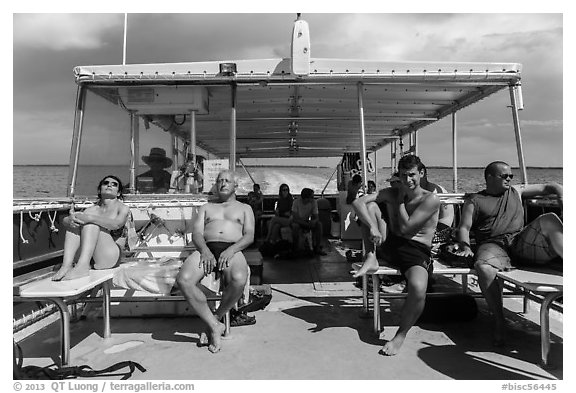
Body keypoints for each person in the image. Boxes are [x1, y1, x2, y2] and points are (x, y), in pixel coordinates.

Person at [449, 161, 563, 345]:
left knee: (549, 219)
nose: (509, 179)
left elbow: (549, 186)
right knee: (483, 267)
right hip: (492, 244)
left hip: (519, 241)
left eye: (511, 175)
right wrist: (466, 247)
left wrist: (561, 194)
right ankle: (499, 320)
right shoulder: (475, 200)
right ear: (489, 178)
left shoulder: (516, 191)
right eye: (504, 176)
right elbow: (464, 227)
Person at [352, 155, 440, 356]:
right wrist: (374, 227)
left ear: (421, 173)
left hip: (416, 250)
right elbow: (358, 203)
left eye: (412, 175)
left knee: (418, 288)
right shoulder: (392, 191)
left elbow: (408, 227)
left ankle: (400, 336)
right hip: (391, 244)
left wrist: (399, 200)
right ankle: (371, 257)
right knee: (371, 207)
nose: (407, 180)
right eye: (403, 175)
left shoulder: (430, 198)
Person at [176, 170, 255, 353]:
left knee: (238, 279)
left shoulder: (245, 208)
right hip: (207, 248)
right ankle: (214, 324)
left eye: (227, 180)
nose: (223, 183)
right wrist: (204, 250)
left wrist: (232, 250)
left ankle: (216, 318)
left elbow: (249, 236)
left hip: (232, 248)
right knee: (184, 280)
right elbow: (196, 233)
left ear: (235, 185)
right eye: (220, 180)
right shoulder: (206, 207)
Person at [52, 175, 130, 281]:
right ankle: (66, 266)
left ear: (118, 193)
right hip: (91, 257)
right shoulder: (92, 210)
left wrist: (91, 218)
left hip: (110, 256)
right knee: (75, 222)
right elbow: (67, 222)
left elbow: (116, 224)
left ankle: (82, 266)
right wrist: (68, 220)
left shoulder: (122, 208)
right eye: (106, 183)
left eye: (114, 184)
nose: (109, 185)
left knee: (90, 223)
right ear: (100, 189)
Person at [290, 188, 326, 255]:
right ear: (306, 198)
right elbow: (295, 218)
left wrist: (314, 221)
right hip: (297, 221)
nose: (313, 198)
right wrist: (307, 224)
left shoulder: (313, 202)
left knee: (319, 225)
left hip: (306, 221)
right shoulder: (296, 202)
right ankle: (295, 248)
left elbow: (316, 217)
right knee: (295, 226)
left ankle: (317, 248)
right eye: (311, 197)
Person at [420, 164, 455, 229]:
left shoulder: (437, 192)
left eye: (412, 175)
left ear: (422, 174)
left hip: (439, 230)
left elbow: (445, 220)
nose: (408, 180)